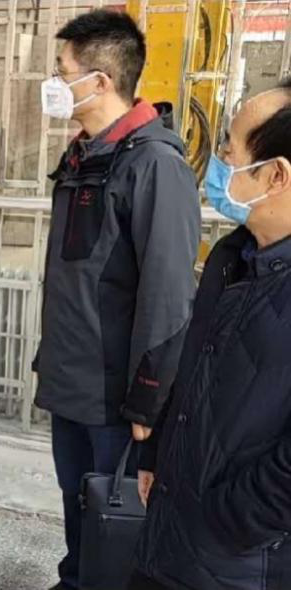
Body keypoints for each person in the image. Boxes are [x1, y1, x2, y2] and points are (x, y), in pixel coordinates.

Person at [31, 10, 201, 589]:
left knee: (115, 519)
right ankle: (75, 578)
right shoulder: (85, 155)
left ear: (100, 81)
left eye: (63, 72)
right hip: (73, 380)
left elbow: (168, 297)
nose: (54, 83)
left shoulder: (154, 165)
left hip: (117, 398)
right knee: (80, 504)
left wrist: (147, 403)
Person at [130, 77, 291, 590]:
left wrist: (228, 519)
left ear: (276, 176)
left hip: (240, 559)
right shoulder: (231, 256)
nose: (218, 162)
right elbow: (195, 366)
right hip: (172, 531)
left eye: (229, 150)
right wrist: (157, 455)